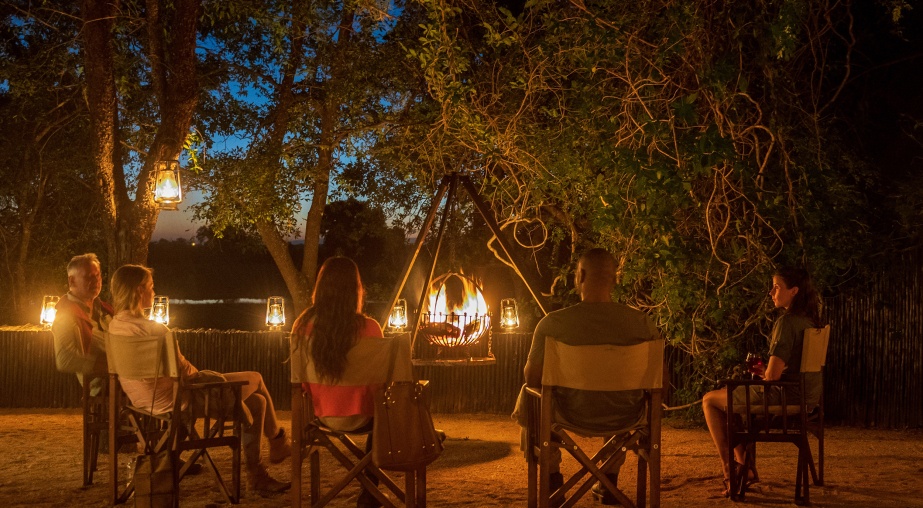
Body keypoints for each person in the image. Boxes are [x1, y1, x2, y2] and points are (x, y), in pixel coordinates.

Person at [108, 264, 292, 495]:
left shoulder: (114, 328)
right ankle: (275, 445)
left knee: (257, 403)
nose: (154, 293)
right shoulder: (157, 331)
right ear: (138, 291)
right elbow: (187, 374)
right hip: (180, 401)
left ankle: (263, 467)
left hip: (141, 402)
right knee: (256, 378)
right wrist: (206, 376)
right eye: (151, 287)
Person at [519, 248, 661, 506]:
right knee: (619, 394)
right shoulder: (642, 324)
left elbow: (532, 377)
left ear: (579, 276)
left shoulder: (553, 324)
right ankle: (609, 480)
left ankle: (552, 483)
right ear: (615, 279)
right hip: (627, 416)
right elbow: (656, 379)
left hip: (568, 413)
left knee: (533, 397)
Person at [701, 267, 825, 496]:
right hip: (807, 397)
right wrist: (770, 372)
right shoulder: (810, 322)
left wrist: (764, 373)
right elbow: (786, 368)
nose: (771, 292)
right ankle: (743, 465)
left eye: (777, 287)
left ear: (794, 291)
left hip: (783, 396)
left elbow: (772, 377)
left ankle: (732, 469)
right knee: (730, 398)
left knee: (710, 400)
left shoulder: (787, 323)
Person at [290, 256, 390, 508]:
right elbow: (380, 385)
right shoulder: (370, 328)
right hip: (366, 417)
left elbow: (301, 385)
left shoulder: (302, 326)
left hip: (319, 418)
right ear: (356, 290)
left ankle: (369, 492)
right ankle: (370, 492)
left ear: (320, 288)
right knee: (386, 408)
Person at [52, 253, 112, 396]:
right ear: (72, 281)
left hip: (124, 377)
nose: (96, 281)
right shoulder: (67, 315)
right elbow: (65, 360)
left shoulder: (105, 310)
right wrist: (114, 365)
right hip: (105, 383)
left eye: (98, 276)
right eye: (89, 277)